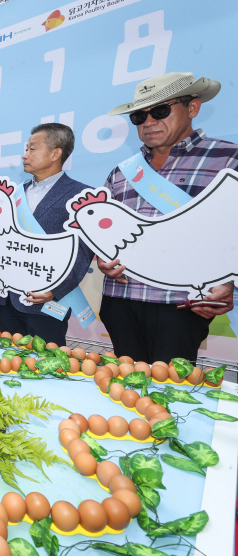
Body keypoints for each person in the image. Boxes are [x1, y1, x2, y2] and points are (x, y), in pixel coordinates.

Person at [98, 72, 237, 364]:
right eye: (139, 116)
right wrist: (102, 257)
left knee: (169, 393)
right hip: (120, 300)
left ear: (193, 108)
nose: (149, 122)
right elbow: (104, 234)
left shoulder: (228, 158)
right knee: (123, 386)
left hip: (180, 304)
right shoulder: (121, 172)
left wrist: (230, 283)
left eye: (160, 111)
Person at [0, 124, 94, 346]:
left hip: (46, 305)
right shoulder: (14, 193)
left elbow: (83, 251)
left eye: (32, 149)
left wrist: (55, 289)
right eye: (26, 149)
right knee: (7, 363)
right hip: (7, 301)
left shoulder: (81, 195)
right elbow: (0, 239)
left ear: (56, 153)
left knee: (45, 366)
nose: (24, 155)